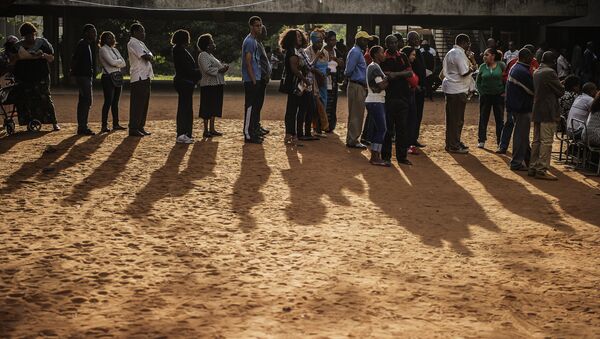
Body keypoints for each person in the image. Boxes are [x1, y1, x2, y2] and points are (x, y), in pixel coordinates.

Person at [14, 22, 60, 131]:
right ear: (23, 36)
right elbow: (12, 60)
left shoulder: (42, 43)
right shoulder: (18, 46)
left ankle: (54, 122)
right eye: (27, 36)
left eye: (31, 35)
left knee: (45, 98)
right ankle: (31, 123)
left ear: (34, 33)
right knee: (27, 100)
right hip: (24, 77)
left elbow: (51, 58)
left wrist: (42, 55)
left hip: (41, 76)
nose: (30, 38)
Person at [529, 51, 565, 180]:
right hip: (548, 111)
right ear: (553, 61)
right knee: (546, 142)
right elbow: (560, 91)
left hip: (537, 109)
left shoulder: (537, 71)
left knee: (536, 141)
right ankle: (541, 169)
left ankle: (533, 166)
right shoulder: (550, 72)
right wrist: (561, 84)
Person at [498, 44, 540, 153]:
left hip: (516, 99)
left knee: (520, 130)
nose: (532, 58)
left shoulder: (519, 63)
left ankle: (525, 155)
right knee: (516, 128)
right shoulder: (517, 64)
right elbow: (505, 76)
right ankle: (504, 148)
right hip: (518, 100)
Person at [381, 34, 413, 166]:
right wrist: (401, 74)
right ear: (386, 44)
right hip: (388, 98)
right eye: (391, 43)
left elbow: (410, 73)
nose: (394, 45)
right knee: (387, 130)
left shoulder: (403, 56)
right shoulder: (383, 58)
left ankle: (402, 157)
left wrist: (395, 74)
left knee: (402, 129)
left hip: (403, 97)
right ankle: (386, 156)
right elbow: (384, 75)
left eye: (395, 42)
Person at [441, 33, 477, 154]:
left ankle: (452, 142)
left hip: (452, 88)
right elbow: (464, 72)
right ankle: (454, 145)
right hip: (457, 89)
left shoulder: (451, 52)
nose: (469, 46)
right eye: (468, 43)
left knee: (453, 119)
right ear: (464, 42)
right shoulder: (459, 53)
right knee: (456, 120)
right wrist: (473, 64)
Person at [506, 48, 535, 171]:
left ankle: (529, 160)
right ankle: (516, 163)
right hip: (522, 107)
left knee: (522, 136)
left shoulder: (516, 67)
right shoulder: (522, 71)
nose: (532, 60)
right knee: (521, 136)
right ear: (525, 57)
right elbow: (533, 90)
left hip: (516, 106)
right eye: (530, 57)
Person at [279, 28, 309, 146]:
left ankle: (292, 135)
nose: (300, 38)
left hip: (297, 83)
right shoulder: (292, 51)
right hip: (294, 84)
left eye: (300, 36)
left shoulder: (296, 50)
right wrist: (305, 79)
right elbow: (294, 69)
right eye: (297, 36)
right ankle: (290, 135)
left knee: (295, 109)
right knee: (292, 110)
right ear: (292, 39)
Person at [172, 29, 201, 144]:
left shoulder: (180, 50)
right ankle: (182, 133)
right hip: (184, 82)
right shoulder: (179, 50)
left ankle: (185, 133)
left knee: (186, 107)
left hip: (185, 82)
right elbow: (187, 69)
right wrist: (200, 72)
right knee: (185, 108)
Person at [344, 31, 372, 149]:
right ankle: (353, 140)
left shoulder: (357, 51)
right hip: (356, 85)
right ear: (358, 40)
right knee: (357, 114)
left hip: (357, 85)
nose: (366, 43)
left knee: (355, 113)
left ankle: (352, 138)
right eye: (365, 40)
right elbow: (348, 71)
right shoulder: (355, 52)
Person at [197, 33, 228, 139]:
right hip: (208, 85)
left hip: (217, 84)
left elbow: (215, 68)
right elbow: (207, 69)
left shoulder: (210, 55)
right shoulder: (203, 55)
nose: (214, 44)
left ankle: (212, 128)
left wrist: (223, 68)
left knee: (214, 106)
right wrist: (220, 69)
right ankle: (206, 130)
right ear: (207, 45)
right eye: (212, 42)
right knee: (207, 107)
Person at [70, 24, 98, 135]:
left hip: (85, 77)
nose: (95, 34)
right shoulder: (82, 44)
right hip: (83, 77)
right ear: (86, 33)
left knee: (84, 101)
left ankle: (82, 126)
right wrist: (73, 75)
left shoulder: (86, 44)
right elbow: (75, 60)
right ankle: (82, 127)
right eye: (92, 32)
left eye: (95, 32)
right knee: (86, 101)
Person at [127, 22, 154, 137]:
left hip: (145, 76)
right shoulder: (133, 42)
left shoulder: (141, 43)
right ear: (135, 32)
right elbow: (147, 56)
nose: (144, 33)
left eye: (144, 31)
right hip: (138, 77)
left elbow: (151, 54)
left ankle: (140, 126)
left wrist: (150, 55)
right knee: (137, 104)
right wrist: (149, 55)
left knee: (144, 103)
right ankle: (133, 128)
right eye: (141, 31)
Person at [475, 48, 505, 149]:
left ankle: (500, 142)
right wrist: (482, 92)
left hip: (498, 96)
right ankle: (481, 140)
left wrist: (504, 91)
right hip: (485, 96)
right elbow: (478, 82)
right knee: (483, 118)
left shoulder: (501, 65)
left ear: (493, 56)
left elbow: (506, 79)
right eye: (484, 55)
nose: (484, 57)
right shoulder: (482, 67)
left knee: (499, 119)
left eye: (486, 55)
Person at [365, 45, 389, 167]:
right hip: (375, 100)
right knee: (381, 129)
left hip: (374, 100)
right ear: (375, 55)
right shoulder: (375, 67)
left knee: (379, 128)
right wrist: (389, 78)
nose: (384, 54)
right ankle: (375, 156)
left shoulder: (373, 66)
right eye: (382, 52)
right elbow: (381, 86)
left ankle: (376, 155)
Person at [98, 31, 126, 133]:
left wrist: (116, 63)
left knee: (115, 102)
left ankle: (116, 124)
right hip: (107, 77)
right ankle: (104, 126)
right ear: (104, 39)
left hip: (117, 77)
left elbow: (124, 63)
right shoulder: (103, 50)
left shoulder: (115, 50)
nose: (112, 39)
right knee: (108, 101)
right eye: (109, 38)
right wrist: (118, 62)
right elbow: (112, 62)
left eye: (113, 37)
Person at [241, 16, 264, 144]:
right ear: (251, 26)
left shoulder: (254, 41)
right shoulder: (249, 41)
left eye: (260, 25)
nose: (259, 27)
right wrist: (254, 80)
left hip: (256, 78)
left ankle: (252, 132)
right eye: (256, 25)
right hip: (251, 80)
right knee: (249, 107)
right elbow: (248, 62)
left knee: (254, 107)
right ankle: (248, 134)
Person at [304, 30, 329, 136]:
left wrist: (326, 73)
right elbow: (308, 66)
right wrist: (318, 72)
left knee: (323, 104)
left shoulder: (325, 52)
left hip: (323, 83)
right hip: (313, 82)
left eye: (321, 42)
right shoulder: (307, 51)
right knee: (314, 106)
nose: (320, 44)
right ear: (313, 41)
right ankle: (315, 128)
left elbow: (326, 66)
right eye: (318, 42)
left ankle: (319, 129)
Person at [406, 31, 427, 148]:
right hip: (413, 89)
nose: (417, 41)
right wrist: (415, 85)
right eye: (414, 39)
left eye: (418, 38)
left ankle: (414, 137)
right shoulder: (408, 52)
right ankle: (410, 138)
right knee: (412, 114)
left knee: (418, 114)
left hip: (421, 88)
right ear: (409, 40)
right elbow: (409, 70)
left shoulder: (419, 52)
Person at [324, 30, 344, 133]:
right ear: (326, 40)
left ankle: (331, 125)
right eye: (331, 40)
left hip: (334, 81)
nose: (333, 42)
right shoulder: (322, 52)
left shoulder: (337, 52)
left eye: (334, 40)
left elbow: (342, 64)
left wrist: (335, 59)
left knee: (333, 103)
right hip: (323, 80)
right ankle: (322, 124)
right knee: (324, 102)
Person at [256, 25, 271, 136]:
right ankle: (255, 126)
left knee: (259, 104)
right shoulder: (255, 44)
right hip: (260, 78)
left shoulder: (260, 43)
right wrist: (263, 74)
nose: (266, 34)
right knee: (256, 104)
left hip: (263, 78)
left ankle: (257, 124)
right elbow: (257, 63)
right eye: (264, 31)